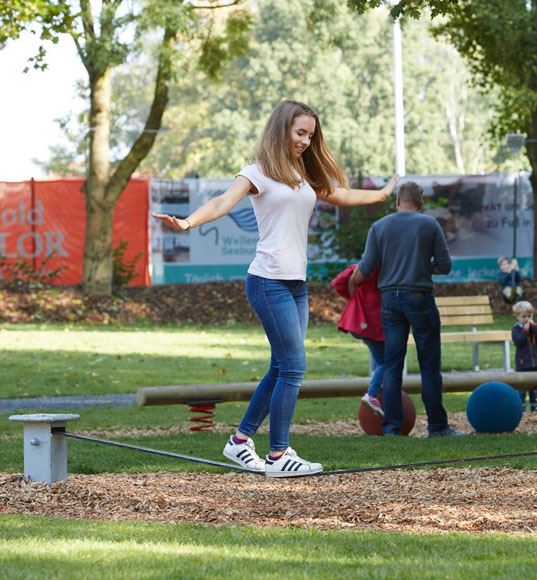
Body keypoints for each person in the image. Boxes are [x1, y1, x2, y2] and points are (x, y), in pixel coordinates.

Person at [154, 99, 398, 476]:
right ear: (281, 128)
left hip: (295, 283)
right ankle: (279, 455)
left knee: (282, 365)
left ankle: (239, 442)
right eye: (300, 132)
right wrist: (188, 223)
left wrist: (382, 194)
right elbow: (223, 201)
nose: (305, 141)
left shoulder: (303, 173)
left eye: (311, 135)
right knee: (294, 367)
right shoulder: (256, 172)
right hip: (267, 281)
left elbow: (341, 194)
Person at [347, 181, 464, 437]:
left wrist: (351, 284)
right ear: (420, 203)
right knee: (429, 366)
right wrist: (422, 267)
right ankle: (437, 427)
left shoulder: (379, 226)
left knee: (392, 365)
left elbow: (365, 267)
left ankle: (391, 428)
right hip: (419, 298)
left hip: (390, 302)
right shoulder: (429, 224)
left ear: (398, 201)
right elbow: (444, 266)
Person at [331, 265, 384, 415]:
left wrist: (352, 296)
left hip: (357, 320)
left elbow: (338, 282)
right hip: (372, 321)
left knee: (378, 358)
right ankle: (372, 394)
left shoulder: (358, 267)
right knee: (385, 361)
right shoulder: (383, 268)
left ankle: (377, 389)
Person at [512, 301, 537, 412]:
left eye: (529, 316)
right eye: (523, 316)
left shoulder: (534, 327)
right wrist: (525, 330)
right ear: (517, 317)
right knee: (522, 389)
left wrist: (534, 328)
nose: (527, 319)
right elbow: (518, 342)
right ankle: (520, 409)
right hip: (523, 364)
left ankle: (534, 408)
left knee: (534, 389)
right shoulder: (516, 328)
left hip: (535, 363)